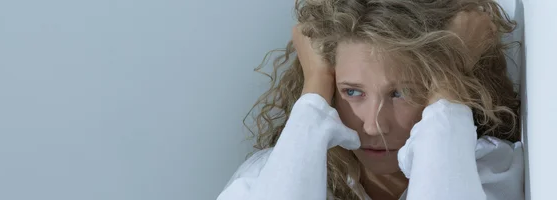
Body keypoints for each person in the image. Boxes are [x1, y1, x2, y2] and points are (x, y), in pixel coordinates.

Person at [218, 0, 524, 199]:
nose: (374, 126)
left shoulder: (490, 173)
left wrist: (450, 78)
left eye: (402, 93)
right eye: (352, 92)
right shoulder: (270, 177)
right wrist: (314, 92)